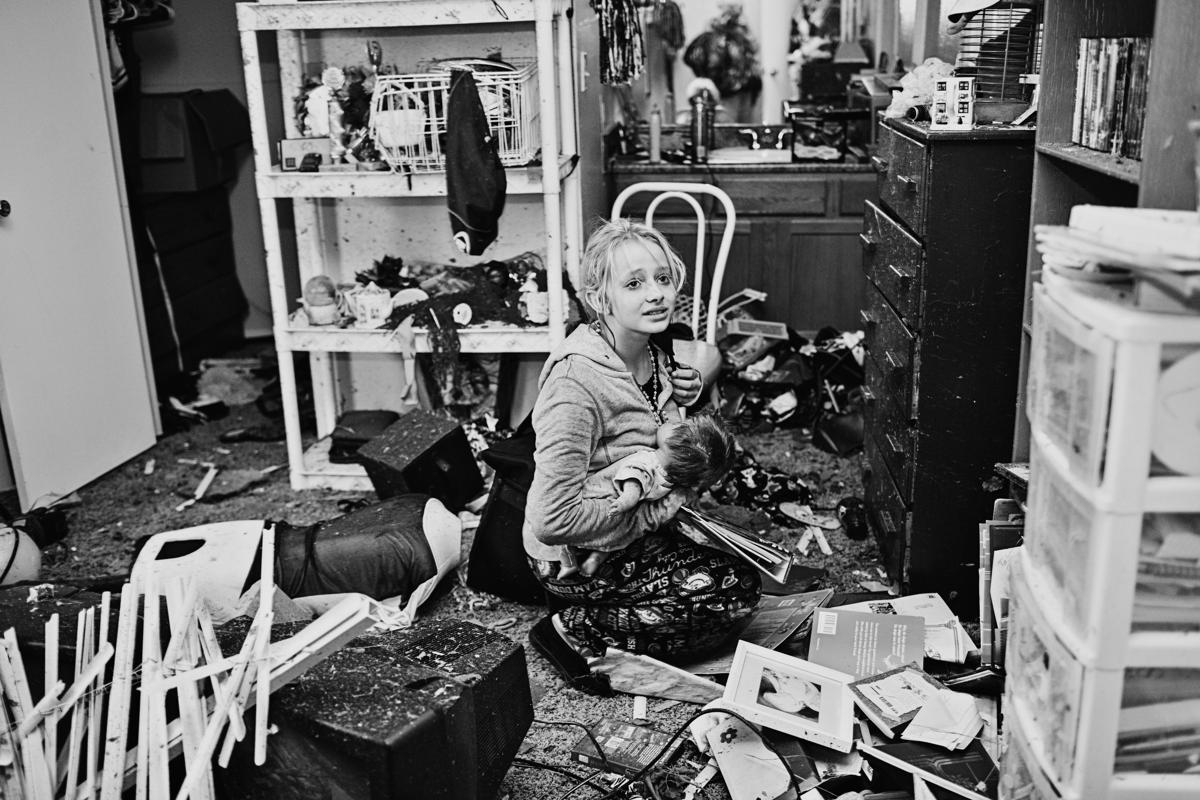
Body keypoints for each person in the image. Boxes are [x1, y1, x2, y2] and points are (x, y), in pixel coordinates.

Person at [523, 219, 762, 695]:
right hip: (573, 551)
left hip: (622, 525)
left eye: (662, 279)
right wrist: (650, 518)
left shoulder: (655, 356)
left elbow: (664, 451)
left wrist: (689, 401)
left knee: (741, 565)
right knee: (729, 595)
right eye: (633, 283)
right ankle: (573, 632)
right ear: (599, 296)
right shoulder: (575, 385)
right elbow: (550, 519)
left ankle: (612, 606)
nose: (655, 294)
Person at [556, 415, 737, 579]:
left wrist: (627, 499)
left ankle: (574, 561)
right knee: (607, 547)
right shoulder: (672, 478)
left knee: (566, 545)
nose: (672, 421)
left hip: (602, 498)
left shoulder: (648, 461)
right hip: (617, 530)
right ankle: (595, 557)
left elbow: (634, 477)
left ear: (674, 443)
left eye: (678, 425)